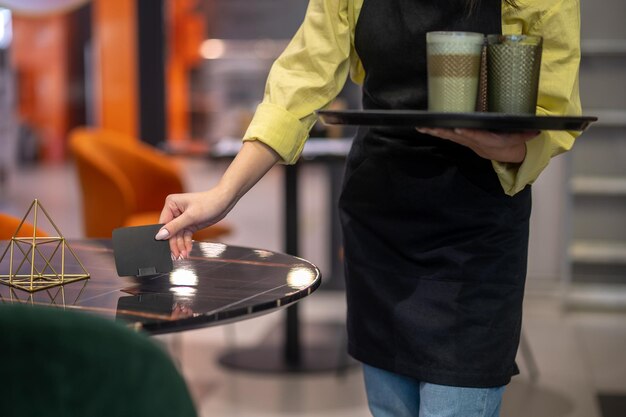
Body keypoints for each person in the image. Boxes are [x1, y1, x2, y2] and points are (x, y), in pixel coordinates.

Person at [156, 0, 581, 415]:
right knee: (389, 407)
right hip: (380, 219)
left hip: (475, 225)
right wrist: (222, 195)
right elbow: (300, 81)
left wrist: (493, 142)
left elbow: (552, 110)